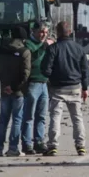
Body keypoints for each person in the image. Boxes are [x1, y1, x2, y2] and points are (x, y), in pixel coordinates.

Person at [42, 22, 89, 156]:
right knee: (77, 118)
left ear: (57, 33)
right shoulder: (78, 48)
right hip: (75, 87)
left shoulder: (53, 49)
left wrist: (52, 78)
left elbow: (45, 70)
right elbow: (85, 70)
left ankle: (53, 145)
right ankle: (80, 145)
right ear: (70, 32)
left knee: (55, 117)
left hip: (57, 88)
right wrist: (85, 88)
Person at [0, 27, 31, 157]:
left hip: (4, 90)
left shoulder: (2, 50)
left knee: (3, 119)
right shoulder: (24, 52)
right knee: (17, 119)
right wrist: (15, 87)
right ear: (23, 38)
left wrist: (6, 86)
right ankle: (13, 148)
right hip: (17, 92)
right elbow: (25, 74)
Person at [22, 23, 50, 155]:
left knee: (41, 115)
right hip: (32, 83)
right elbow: (30, 59)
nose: (43, 34)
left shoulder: (47, 45)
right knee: (29, 116)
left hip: (44, 83)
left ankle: (39, 141)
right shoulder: (28, 44)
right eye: (41, 32)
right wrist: (44, 46)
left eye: (45, 32)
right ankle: (27, 144)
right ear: (33, 31)